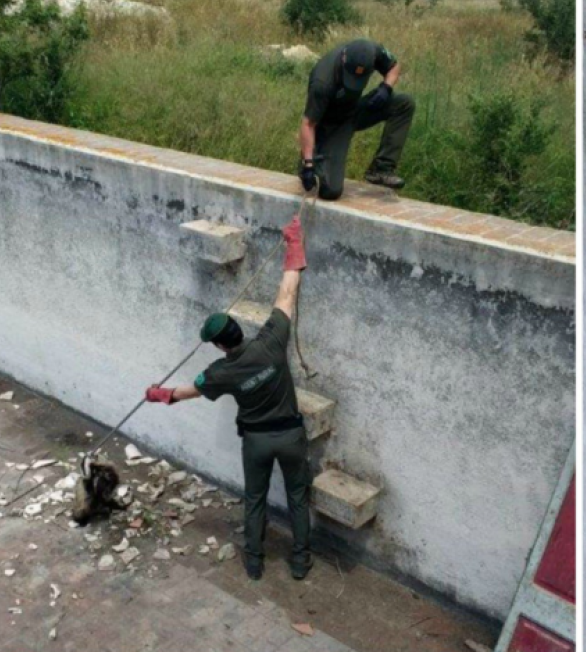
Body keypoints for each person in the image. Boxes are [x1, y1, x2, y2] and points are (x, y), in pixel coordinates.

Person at [144, 214, 312, 581]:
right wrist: (293, 245)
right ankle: (300, 562)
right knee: (298, 499)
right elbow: (287, 293)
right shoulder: (272, 339)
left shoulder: (220, 373)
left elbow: (187, 392)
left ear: (220, 344)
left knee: (255, 501)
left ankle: (254, 562)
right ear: (239, 332)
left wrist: (159, 394)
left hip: (256, 443)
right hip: (291, 437)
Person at [298, 39, 415, 200]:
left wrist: (386, 88)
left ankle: (381, 169)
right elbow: (308, 124)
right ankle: (313, 161)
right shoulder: (323, 81)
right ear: (344, 59)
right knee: (330, 191)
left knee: (403, 103)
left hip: (355, 111)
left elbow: (394, 67)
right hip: (331, 125)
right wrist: (308, 165)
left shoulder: (374, 51)